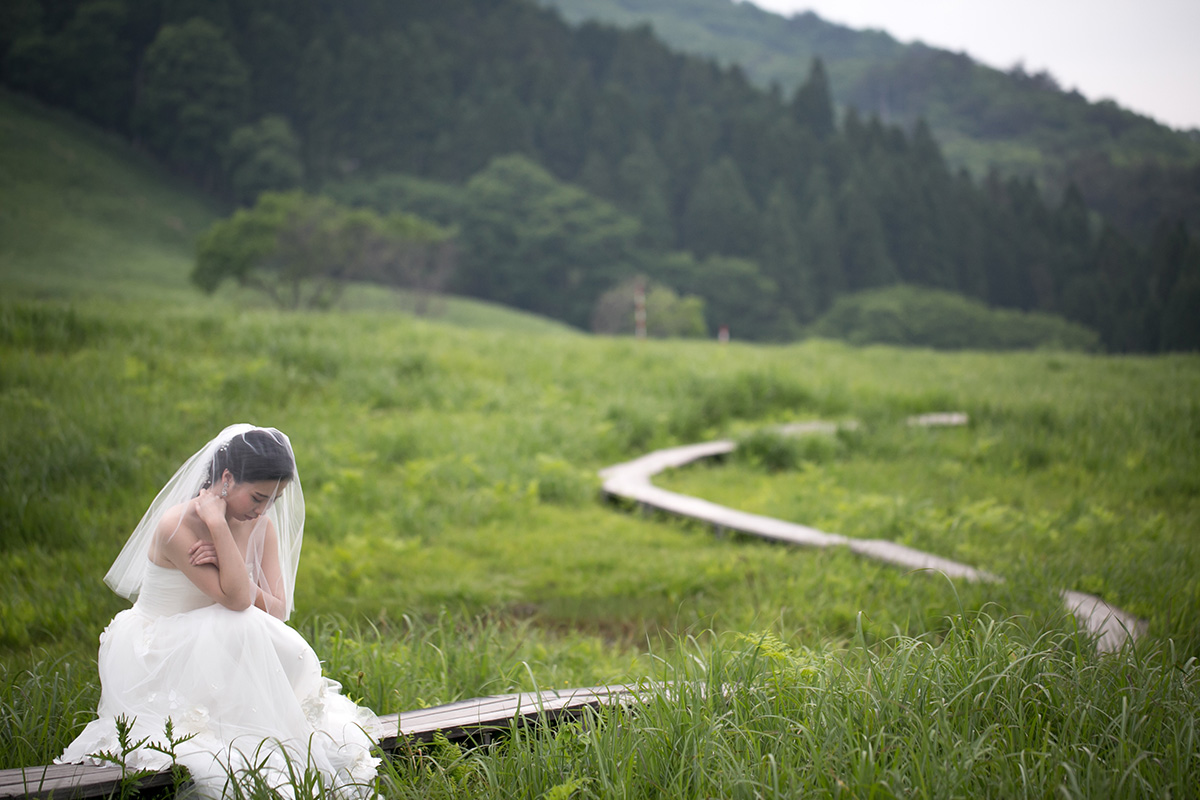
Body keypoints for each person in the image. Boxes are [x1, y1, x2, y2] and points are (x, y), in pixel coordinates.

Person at [57, 424, 380, 798]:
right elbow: (237, 602)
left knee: (269, 639)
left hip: (217, 639)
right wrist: (218, 528)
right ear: (226, 478)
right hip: (158, 649)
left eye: (273, 501)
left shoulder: (258, 525)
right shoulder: (177, 525)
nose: (262, 510)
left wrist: (233, 551)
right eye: (257, 497)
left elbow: (275, 611)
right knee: (237, 623)